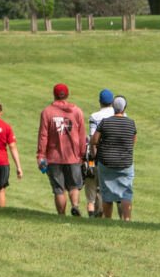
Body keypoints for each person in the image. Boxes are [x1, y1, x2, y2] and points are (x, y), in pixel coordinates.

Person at [36, 83, 87, 216]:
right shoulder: (77, 111)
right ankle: (75, 205)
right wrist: (82, 153)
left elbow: (43, 135)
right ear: (67, 95)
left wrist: (41, 155)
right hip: (73, 156)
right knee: (74, 186)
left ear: (54, 94)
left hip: (54, 157)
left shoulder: (47, 112)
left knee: (59, 189)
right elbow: (82, 135)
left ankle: (61, 215)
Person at [91, 95, 136, 220]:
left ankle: (108, 219)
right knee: (126, 193)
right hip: (125, 163)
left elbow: (94, 140)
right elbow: (133, 141)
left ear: (113, 107)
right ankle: (126, 219)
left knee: (107, 193)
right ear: (124, 108)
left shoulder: (105, 122)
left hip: (106, 162)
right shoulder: (131, 123)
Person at [84, 89, 115, 216]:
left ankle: (94, 215)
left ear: (100, 101)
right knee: (104, 190)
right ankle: (102, 215)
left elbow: (93, 140)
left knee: (91, 188)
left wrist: (93, 158)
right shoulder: (119, 114)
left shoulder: (95, 116)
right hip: (114, 157)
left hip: (97, 157)